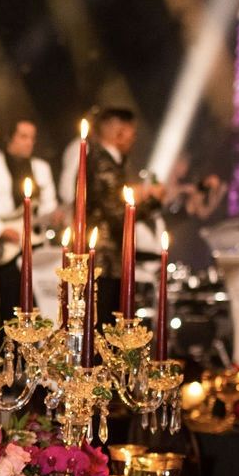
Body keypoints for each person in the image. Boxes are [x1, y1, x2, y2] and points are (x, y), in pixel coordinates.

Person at [0, 119, 57, 320]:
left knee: (36, 306)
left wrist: (53, 216)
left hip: (34, 243)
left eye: (32, 138)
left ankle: (33, 350)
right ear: (10, 138)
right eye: (23, 136)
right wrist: (0, 230)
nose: (29, 142)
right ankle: (7, 350)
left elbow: (48, 205)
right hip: (7, 246)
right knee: (10, 306)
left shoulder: (41, 168)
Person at [84, 107, 161, 326]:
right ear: (119, 132)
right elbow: (118, 212)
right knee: (104, 328)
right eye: (131, 132)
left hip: (112, 260)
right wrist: (152, 200)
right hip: (103, 260)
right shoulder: (102, 163)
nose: (134, 138)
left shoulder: (112, 162)